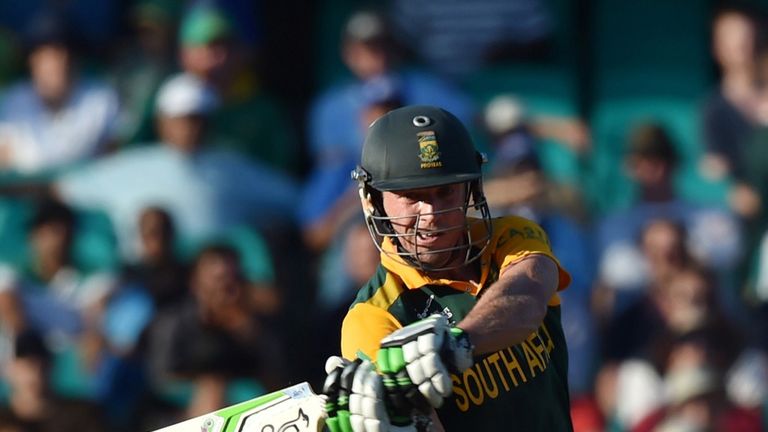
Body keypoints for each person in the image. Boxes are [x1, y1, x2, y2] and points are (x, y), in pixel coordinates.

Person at [321, 105, 573, 431]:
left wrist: (455, 346)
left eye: (445, 191)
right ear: (372, 199)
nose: (431, 214)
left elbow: (527, 299)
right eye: (411, 196)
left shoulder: (512, 235)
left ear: (471, 189)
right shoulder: (372, 317)